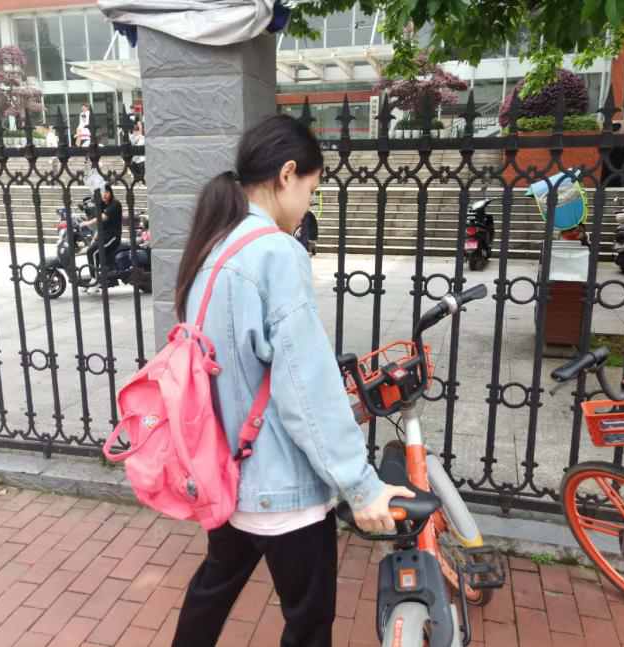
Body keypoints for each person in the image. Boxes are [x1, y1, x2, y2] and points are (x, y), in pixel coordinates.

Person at [171, 114, 412, 647]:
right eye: (311, 188)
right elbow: (307, 390)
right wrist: (361, 485)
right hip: (283, 488)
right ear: (286, 175)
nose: (308, 204)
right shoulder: (276, 252)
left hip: (228, 475)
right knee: (308, 625)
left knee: (210, 593)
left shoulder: (213, 248)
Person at [81, 183, 122, 294]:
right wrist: (94, 239)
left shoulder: (115, 204)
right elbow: (101, 225)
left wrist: (87, 223)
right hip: (104, 235)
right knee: (90, 251)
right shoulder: (102, 205)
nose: (104, 195)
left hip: (113, 237)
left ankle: (95, 281)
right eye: (102, 192)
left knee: (94, 252)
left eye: (107, 192)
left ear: (111, 192)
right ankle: (94, 278)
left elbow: (101, 218)